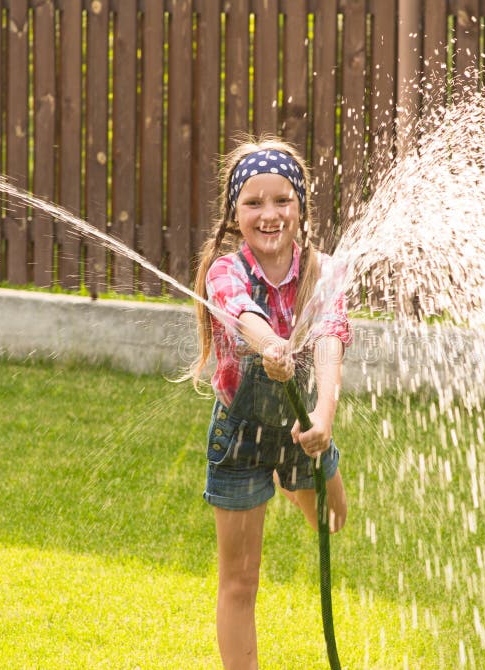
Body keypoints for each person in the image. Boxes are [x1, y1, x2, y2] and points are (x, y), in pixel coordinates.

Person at [192, 135, 351, 670]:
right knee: (241, 579)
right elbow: (241, 315)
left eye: (282, 199)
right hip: (238, 436)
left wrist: (322, 422)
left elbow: (330, 342)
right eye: (253, 202)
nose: (269, 214)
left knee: (332, 520)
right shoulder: (225, 270)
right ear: (235, 214)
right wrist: (273, 347)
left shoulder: (325, 272)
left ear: (301, 205)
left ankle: (286, 479)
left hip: (302, 425)